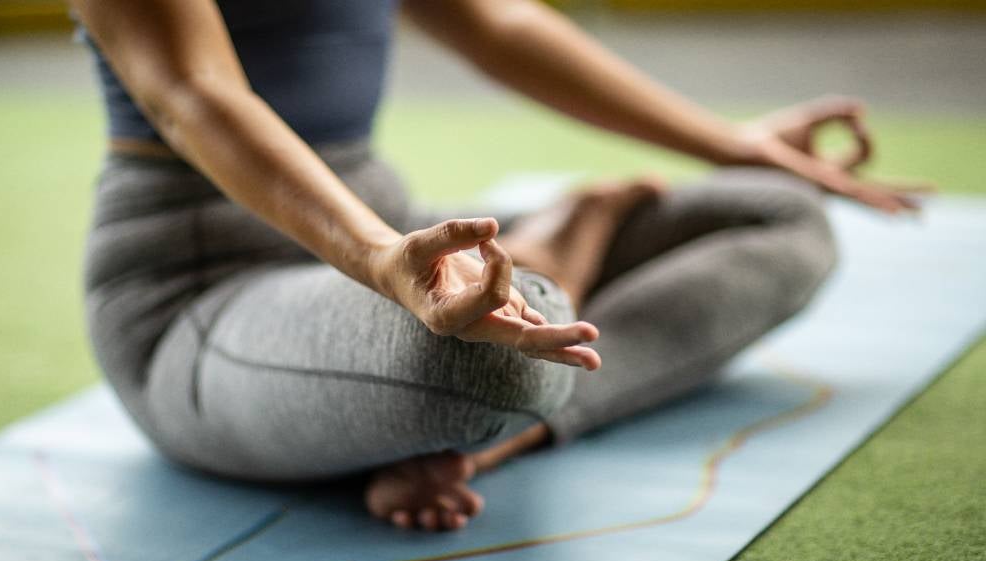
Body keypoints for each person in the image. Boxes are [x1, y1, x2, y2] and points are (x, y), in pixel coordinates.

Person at [73, 0, 922, 532]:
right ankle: (560, 252)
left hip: (383, 229)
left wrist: (736, 144)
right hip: (202, 290)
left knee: (779, 216)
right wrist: (377, 259)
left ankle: (485, 442)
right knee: (479, 359)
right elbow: (193, 92)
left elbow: (495, 20)